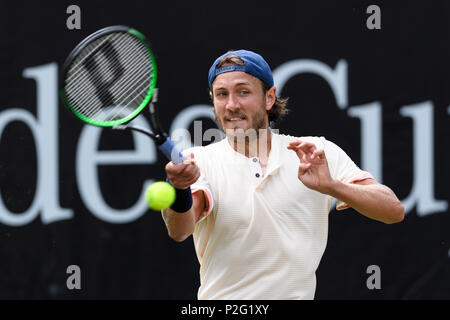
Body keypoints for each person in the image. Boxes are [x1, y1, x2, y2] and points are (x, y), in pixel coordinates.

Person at [162, 49, 404, 300]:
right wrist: (179, 189)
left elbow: (393, 211)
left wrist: (332, 186)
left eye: (243, 92)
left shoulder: (316, 152)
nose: (232, 105)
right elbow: (180, 230)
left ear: (269, 98)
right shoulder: (200, 160)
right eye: (222, 95)